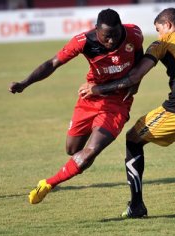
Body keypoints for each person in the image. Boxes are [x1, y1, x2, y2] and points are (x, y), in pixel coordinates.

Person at [78, 8, 175, 218]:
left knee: (133, 139)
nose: (158, 35)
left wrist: (96, 89)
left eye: (158, 29)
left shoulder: (164, 42)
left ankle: (136, 206)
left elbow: (133, 77)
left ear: (167, 25)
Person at [9, 9, 144, 204]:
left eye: (116, 35)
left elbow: (139, 61)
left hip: (117, 103)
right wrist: (24, 83)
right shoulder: (83, 41)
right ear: (96, 30)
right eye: (107, 37)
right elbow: (53, 63)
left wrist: (136, 83)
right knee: (73, 150)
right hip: (89, 98)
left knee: (90, 152)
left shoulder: (133, 34)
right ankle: (75, 164)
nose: (112, 41)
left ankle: (48, 184)